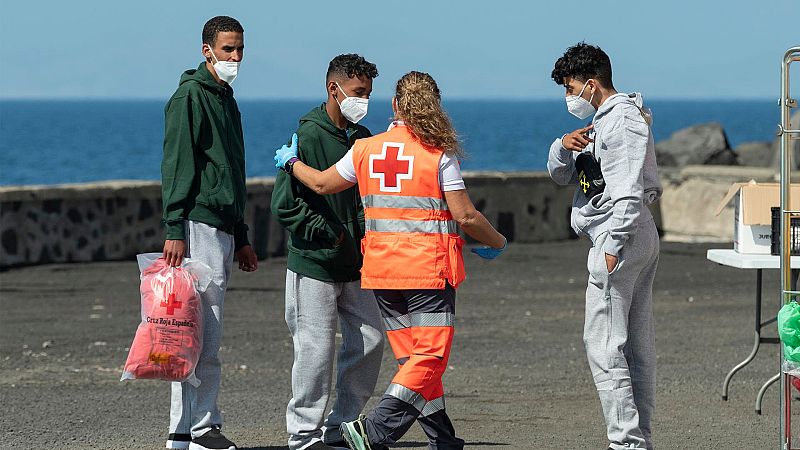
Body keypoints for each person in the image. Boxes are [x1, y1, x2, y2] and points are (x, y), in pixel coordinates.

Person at [274, 71, 507, 450]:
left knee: (414, 361)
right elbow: (465, 216)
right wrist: (497, 240)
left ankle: (443, 439)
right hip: (427, 272)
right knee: (429, 358)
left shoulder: (365, 149)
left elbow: (320, 184)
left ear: (396, 104)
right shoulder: (438, 154)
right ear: (434, 106)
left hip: (382, 274)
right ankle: (373, 430)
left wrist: (290, 162)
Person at [546, 42, 662, 450]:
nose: (568, 96)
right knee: (633, 344)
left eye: (570, 87)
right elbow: (562, 176)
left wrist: (613, 243)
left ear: (591, 85)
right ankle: (638, 438)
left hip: (620, 236)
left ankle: (626, 441)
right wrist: (563, 146)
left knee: (604, 345)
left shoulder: (622, 121)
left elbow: (628, 190)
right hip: (630, 235)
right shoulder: (605, 122)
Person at [271, 54, 385, 450]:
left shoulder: (363, 137)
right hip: (314, 264)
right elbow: (285, 204)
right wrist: (330, 234)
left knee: (370, 341)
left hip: (357, 265)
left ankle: (342, 425)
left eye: (368, 93)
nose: (363, 100)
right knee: (315, 351)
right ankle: (303, 433)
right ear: (333, 89)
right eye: (358, 92)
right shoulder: (307, 137)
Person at [160, 15, 258, 450]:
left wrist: (242, 235)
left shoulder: (225, 98)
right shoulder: (190, 97)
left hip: (222, 227)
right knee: (200, 330)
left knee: (201, 330)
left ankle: (188, 431)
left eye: (240, 49)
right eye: (227, 49)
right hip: (198, 224)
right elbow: (178, 163)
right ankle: (197, 429)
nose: (235, 57)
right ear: (207, 51)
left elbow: (233, 170)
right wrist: (174, 226)